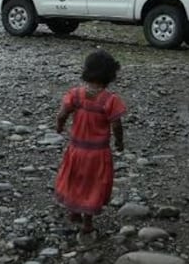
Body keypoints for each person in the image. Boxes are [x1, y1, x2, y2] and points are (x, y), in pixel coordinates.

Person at [54, 49, 126, 237]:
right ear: (111, 75)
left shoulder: (76, 94)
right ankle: (87, 222)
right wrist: (119, 142)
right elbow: (116, 125)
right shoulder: (110, 100)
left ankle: (74, 211)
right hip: (97, 153)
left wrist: (60, 127)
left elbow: (62, 113)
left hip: (76, 149)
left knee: (75, 178)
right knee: (93, 184)